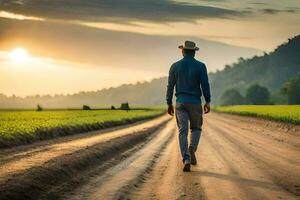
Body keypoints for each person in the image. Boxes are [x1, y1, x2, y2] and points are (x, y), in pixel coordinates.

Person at [166, 40, 211, 172]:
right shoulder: (201, 66)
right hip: (195, 102)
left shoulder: (174, 66)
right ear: (194, 53)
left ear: (183, 51)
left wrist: (169, 102)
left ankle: (186, 159)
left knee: (182, 131)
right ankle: (192, 148)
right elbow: (205, 85)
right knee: (196, 128)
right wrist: (208, 101)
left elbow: (170, 86)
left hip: (180, 102)